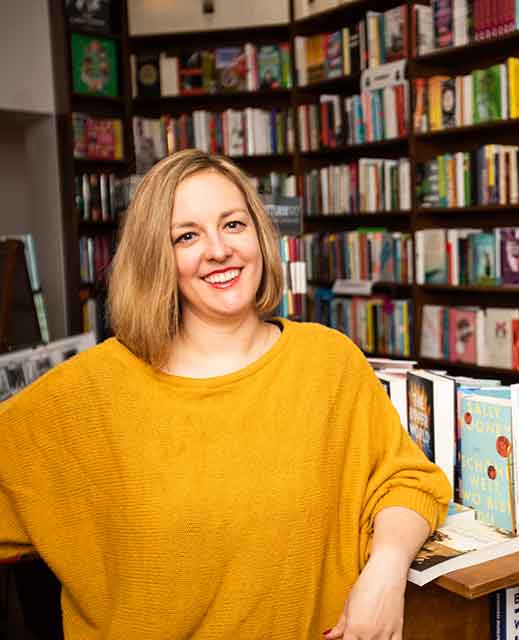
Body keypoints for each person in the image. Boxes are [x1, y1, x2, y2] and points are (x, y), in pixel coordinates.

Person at [0, 149, 452, 639]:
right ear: (156, 256)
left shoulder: (328, 362)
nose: (218, 250)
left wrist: (385, 572)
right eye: (187, 236)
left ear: (258, 234)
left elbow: (407, 481)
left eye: (233, 224)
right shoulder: (91, 391)